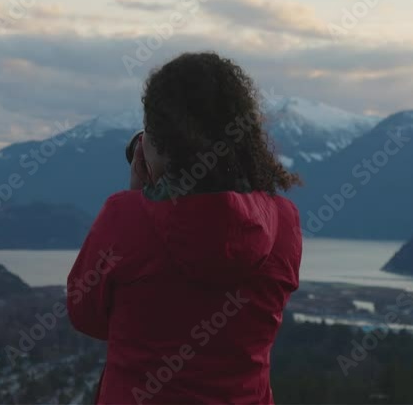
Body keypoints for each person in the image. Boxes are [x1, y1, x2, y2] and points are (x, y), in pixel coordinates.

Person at [67, 51, 303, 404]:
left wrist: (137, 201)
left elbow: (86, 316)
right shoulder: (283, 221)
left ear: (161, 144)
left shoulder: (122, 216)